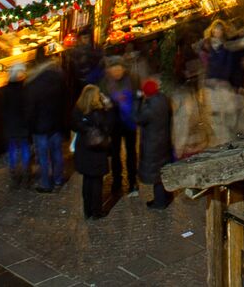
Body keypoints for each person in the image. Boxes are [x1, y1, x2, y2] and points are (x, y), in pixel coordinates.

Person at [71, 86, 115, 220]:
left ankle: (87, 210)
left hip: (83, 150)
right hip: (96, 151)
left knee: (87, 180)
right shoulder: (99, 113)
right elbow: (109, 127)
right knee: (96, 182)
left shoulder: (77, 110)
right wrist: (109, 108)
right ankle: (96, 211)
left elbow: (74, 126)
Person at [25, 58, 69, 191]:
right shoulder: (59, 80)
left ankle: (45, 183)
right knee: (57, 154)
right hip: (56, 125)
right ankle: (58, 179)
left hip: (40, 128)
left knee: (43, 157)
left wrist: (29, 128)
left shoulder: (33, 85)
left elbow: (30, 110)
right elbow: (65, 103)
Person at [135, 78, 175, 209]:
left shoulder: (150, 107)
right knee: (162, 171)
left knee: (156, 175)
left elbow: (137, 118)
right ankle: (166, 195)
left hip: (153, 144)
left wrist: (138, 100)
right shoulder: (163, 100)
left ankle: (159, 202)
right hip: (164, 141)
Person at [102, 62, 139, 199]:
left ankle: (132, 180)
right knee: (115, 154)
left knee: (131, 153)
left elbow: (138, 97)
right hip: (115, 123)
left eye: (119, 69)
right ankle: (116, 180)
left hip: (129, 122)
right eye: (114, 69)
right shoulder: (106, 82)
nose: (117, 72)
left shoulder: (132, 79)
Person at [0, 63, 32, 187]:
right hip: (23, 126)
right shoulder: (25, 90)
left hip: (10, 126)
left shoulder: (5, 91)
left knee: (12, 149)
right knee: (24, 148)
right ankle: (25, 171)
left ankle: (13, 171)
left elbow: (3, 109)